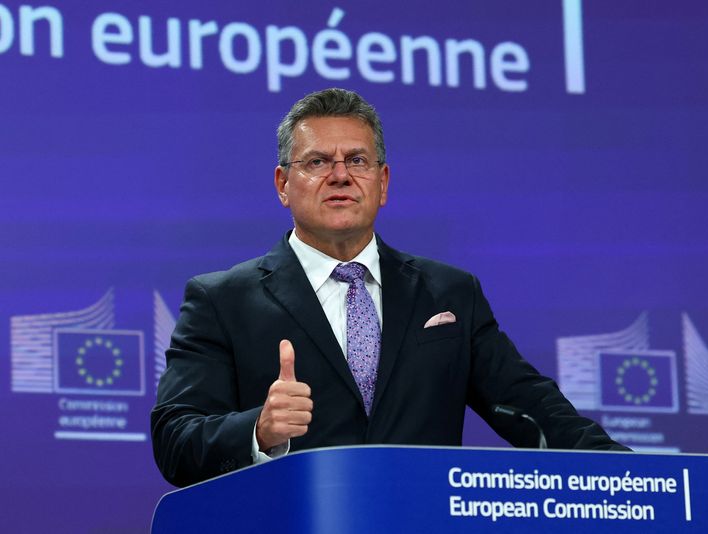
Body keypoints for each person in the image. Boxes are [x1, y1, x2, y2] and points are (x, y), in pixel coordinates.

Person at [151, 88, 628, 487]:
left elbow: (533, 409)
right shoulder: (222, 300)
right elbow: (176, 440)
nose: (340, 175)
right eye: (317, 161)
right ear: (282, 184)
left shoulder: (449, 294)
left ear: (382, 182)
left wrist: (640, 477)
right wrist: (256, 430)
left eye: (357, 160)